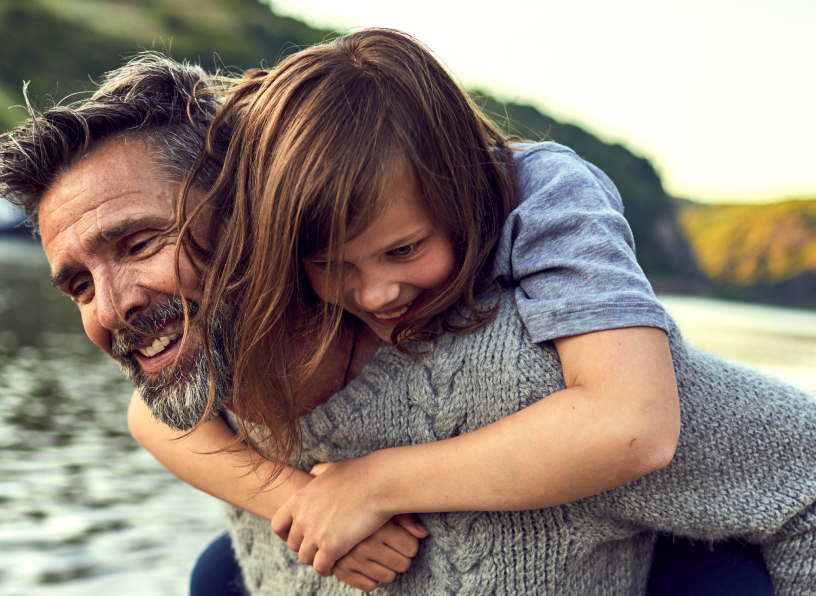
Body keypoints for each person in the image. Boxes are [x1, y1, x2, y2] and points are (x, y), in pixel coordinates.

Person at [0, 45, 777, 595]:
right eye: (78, 285)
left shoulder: (535, 223)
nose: (112, 306)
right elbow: (149, 419)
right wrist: (292, 500)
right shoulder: (217, 365)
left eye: (140, 242)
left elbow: (636, 424)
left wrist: (369, 487)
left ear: (250, 206)